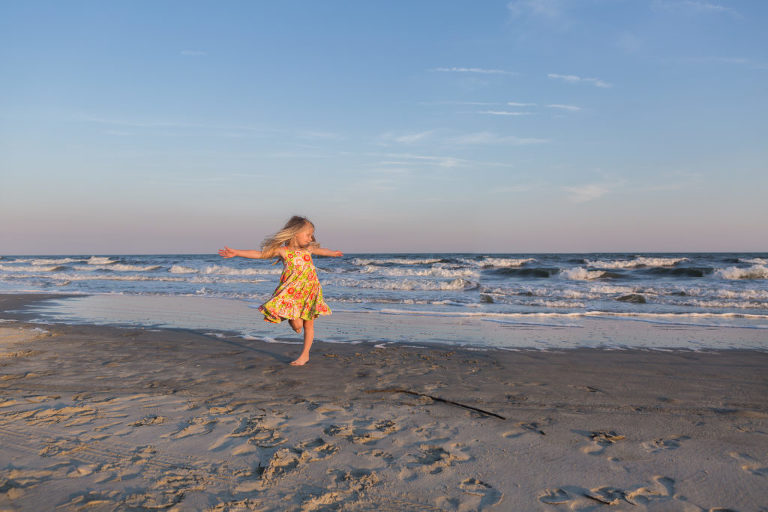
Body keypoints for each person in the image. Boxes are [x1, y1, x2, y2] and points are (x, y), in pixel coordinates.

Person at [218, 216, 343, 366]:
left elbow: (321, 250)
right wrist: (237, 252)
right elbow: (259, 254)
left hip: (310, 291)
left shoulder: (308, 249)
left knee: (309, 325)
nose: (311, 238)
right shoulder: (283, 251)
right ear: (295, 233)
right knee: (297, 325)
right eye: (308, 235)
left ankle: (305, 355)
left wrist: (333, 253)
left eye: (311, 235)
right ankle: (292, 320)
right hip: (291, 293)